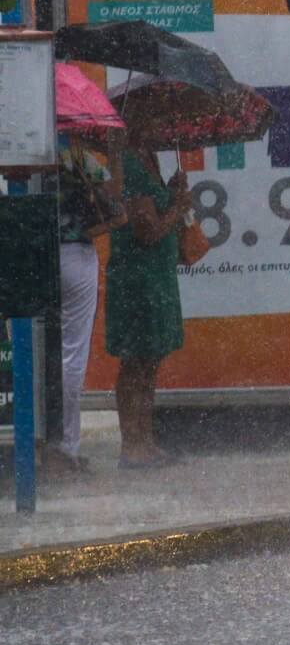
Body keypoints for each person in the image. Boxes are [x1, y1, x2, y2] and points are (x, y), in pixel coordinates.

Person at [105, 149, 188, 469]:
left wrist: (170, 190)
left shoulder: (148, 160)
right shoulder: (129, 165)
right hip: (138, 278)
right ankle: (132, 444)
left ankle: (145, 440)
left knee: (151, 359)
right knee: (136, 360)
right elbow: (147, 230)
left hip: (156, 275)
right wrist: (178, 208)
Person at [47, 136, 125, 474]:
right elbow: (113, 196)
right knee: (71, 353)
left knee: (32, 352)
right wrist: (116, 153)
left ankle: (38, 443)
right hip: (75, 256)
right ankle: (66, 447)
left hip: (31, 257)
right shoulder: (74, 153)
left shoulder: (20, 146)